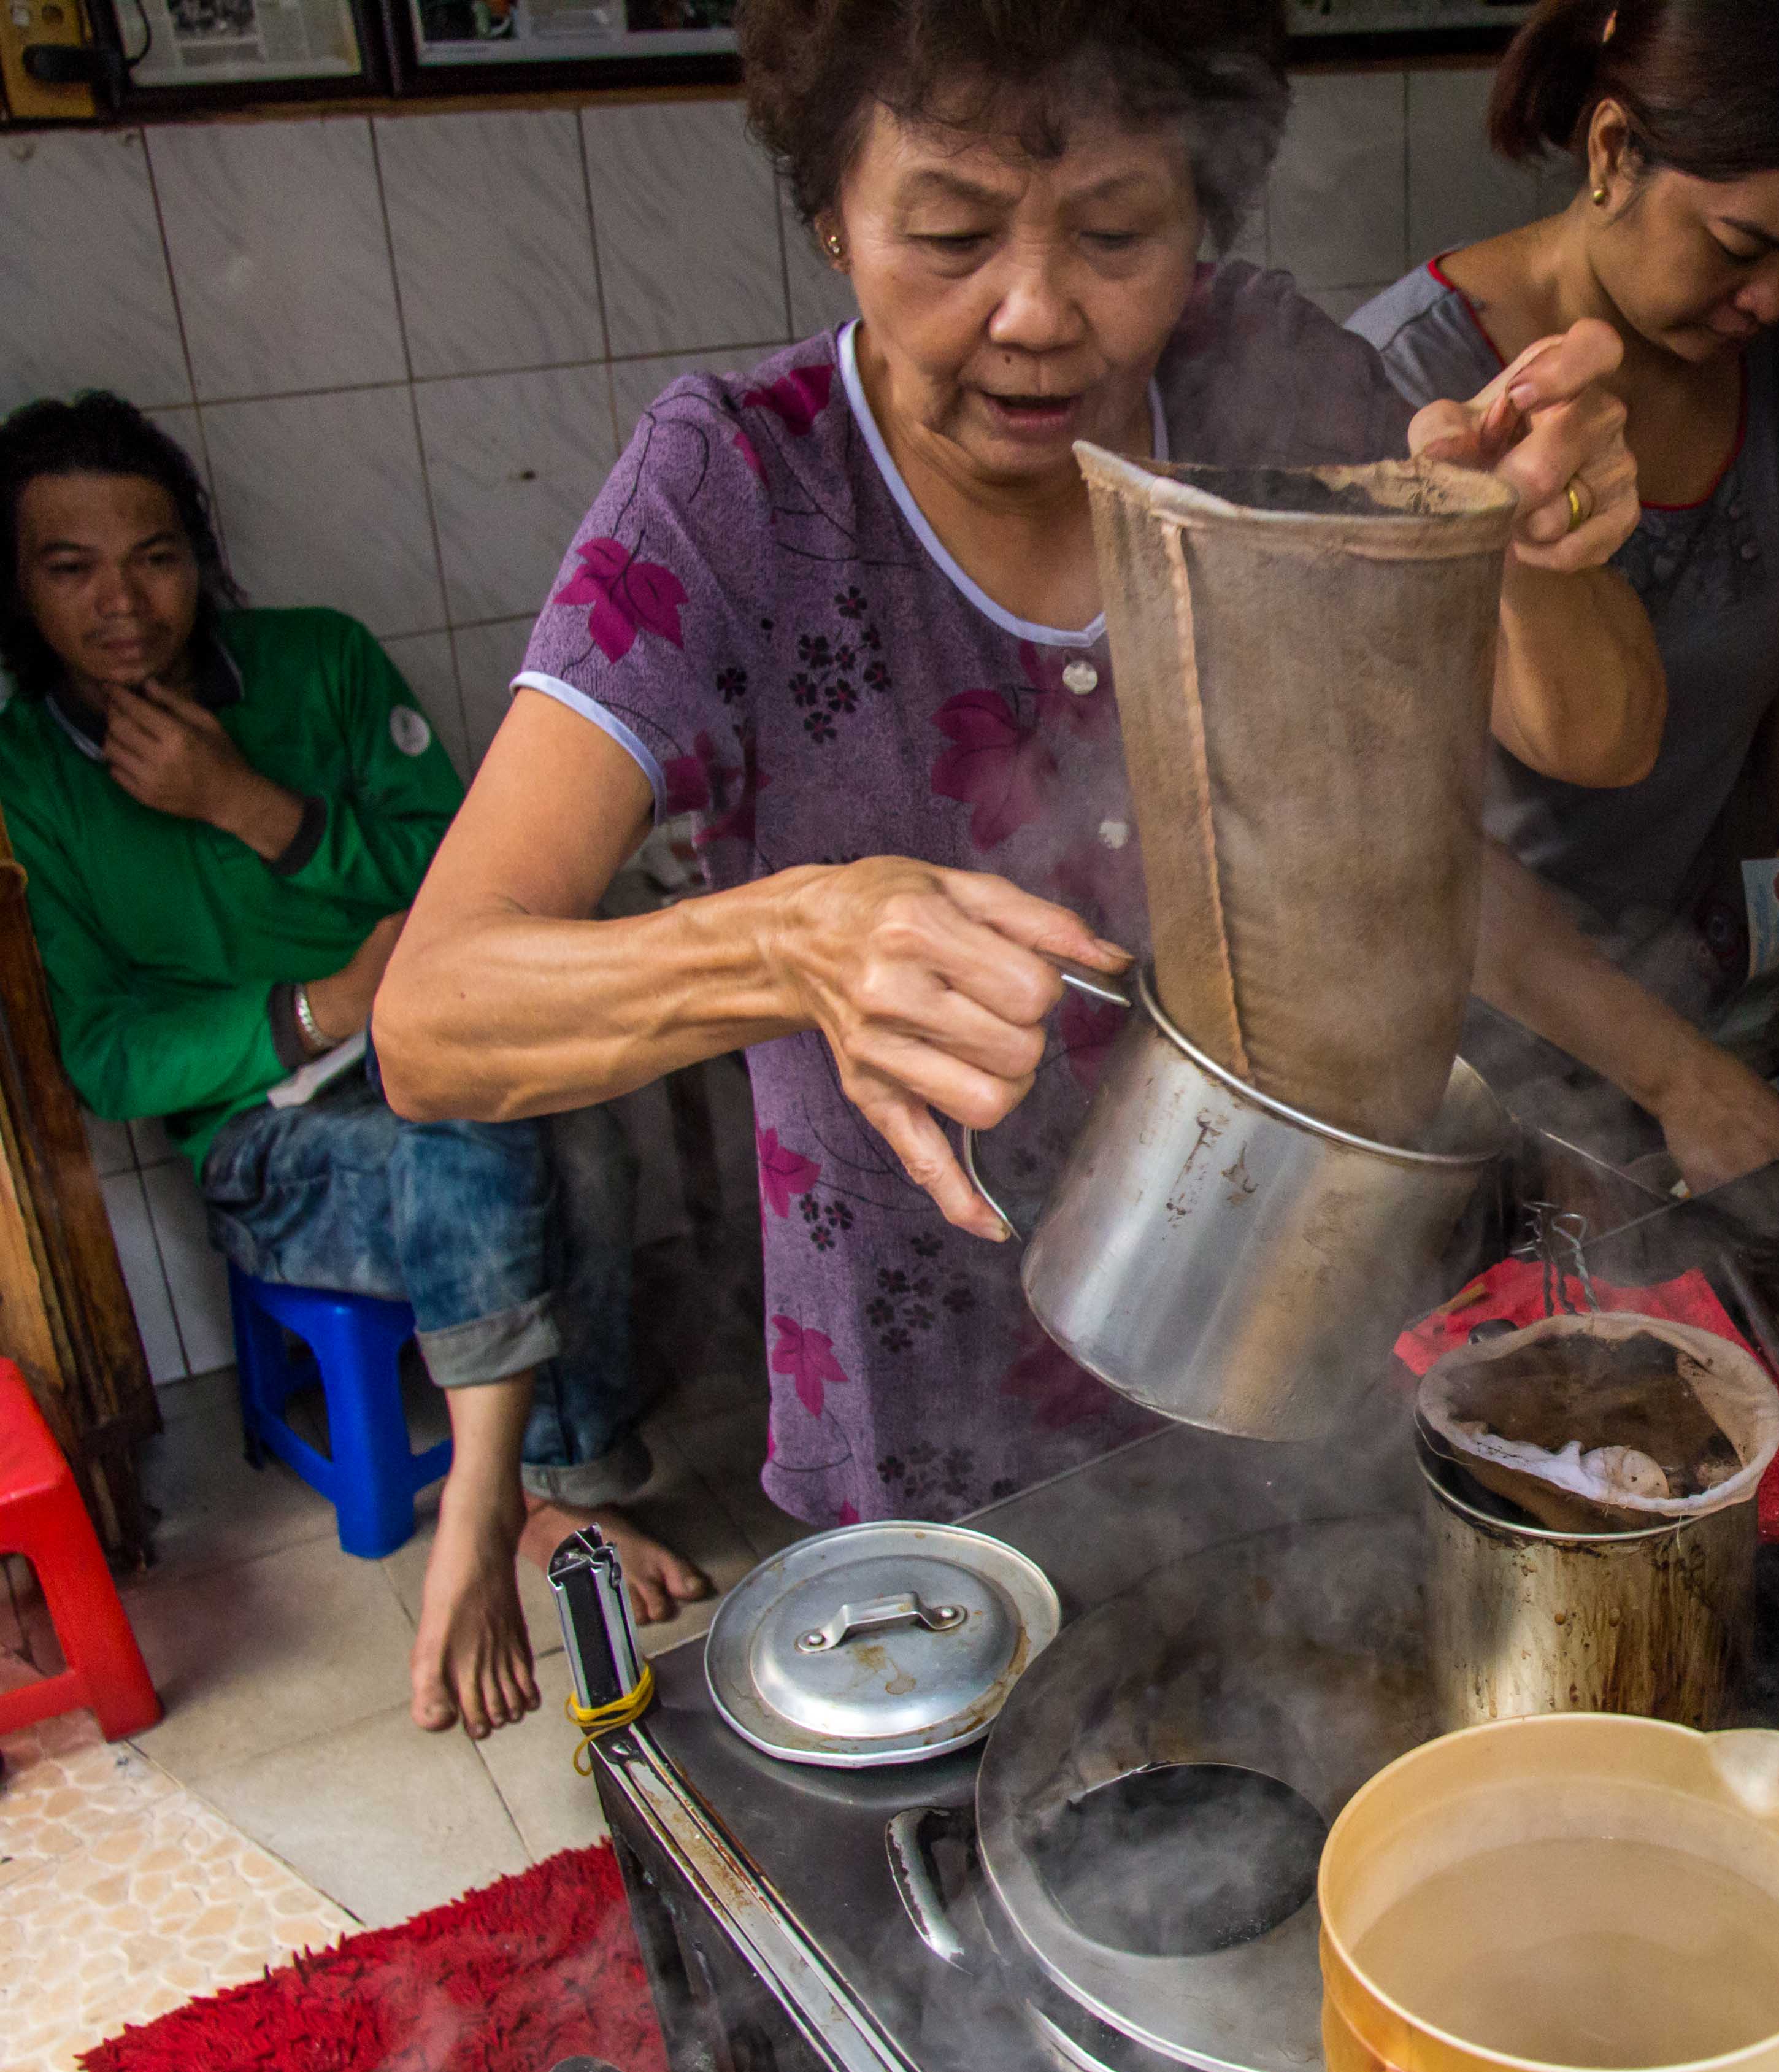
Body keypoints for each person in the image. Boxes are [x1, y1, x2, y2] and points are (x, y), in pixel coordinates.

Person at [369, 0, 1659, 1531]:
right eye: (951, 235)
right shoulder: (736, 487)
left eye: (1119, 234)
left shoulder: (1265, 377)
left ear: (1203, 217)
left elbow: (1597, 737)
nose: (1038, 312)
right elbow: (434, 1022)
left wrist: (1532, 545)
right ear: (834, 219)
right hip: (932, 1426)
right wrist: (793, 936)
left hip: (1300, 1345)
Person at [0, 392, 703, 1741]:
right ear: (16, 585)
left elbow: (473, 866)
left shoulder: (318, 664)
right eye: (66, 566)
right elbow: (102, 1052)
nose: (123, 603)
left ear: (199, 553)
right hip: (267, 1137)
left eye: (152, 554)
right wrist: (325, 1008)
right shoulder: (23, 776)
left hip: (427, 1036)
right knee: (466, 1126)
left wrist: (247, 806)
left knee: (574, 1116)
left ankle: (559, 1474)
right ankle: (538, 1498)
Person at [1347, 0, 1779, 1196]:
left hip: (1682, 1013)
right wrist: (1676, 1075)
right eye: (1741, 244)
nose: (1778, 299)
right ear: (1614, 152)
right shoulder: (1411, 397)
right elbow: (1398, 838)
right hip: (1442, 1070)